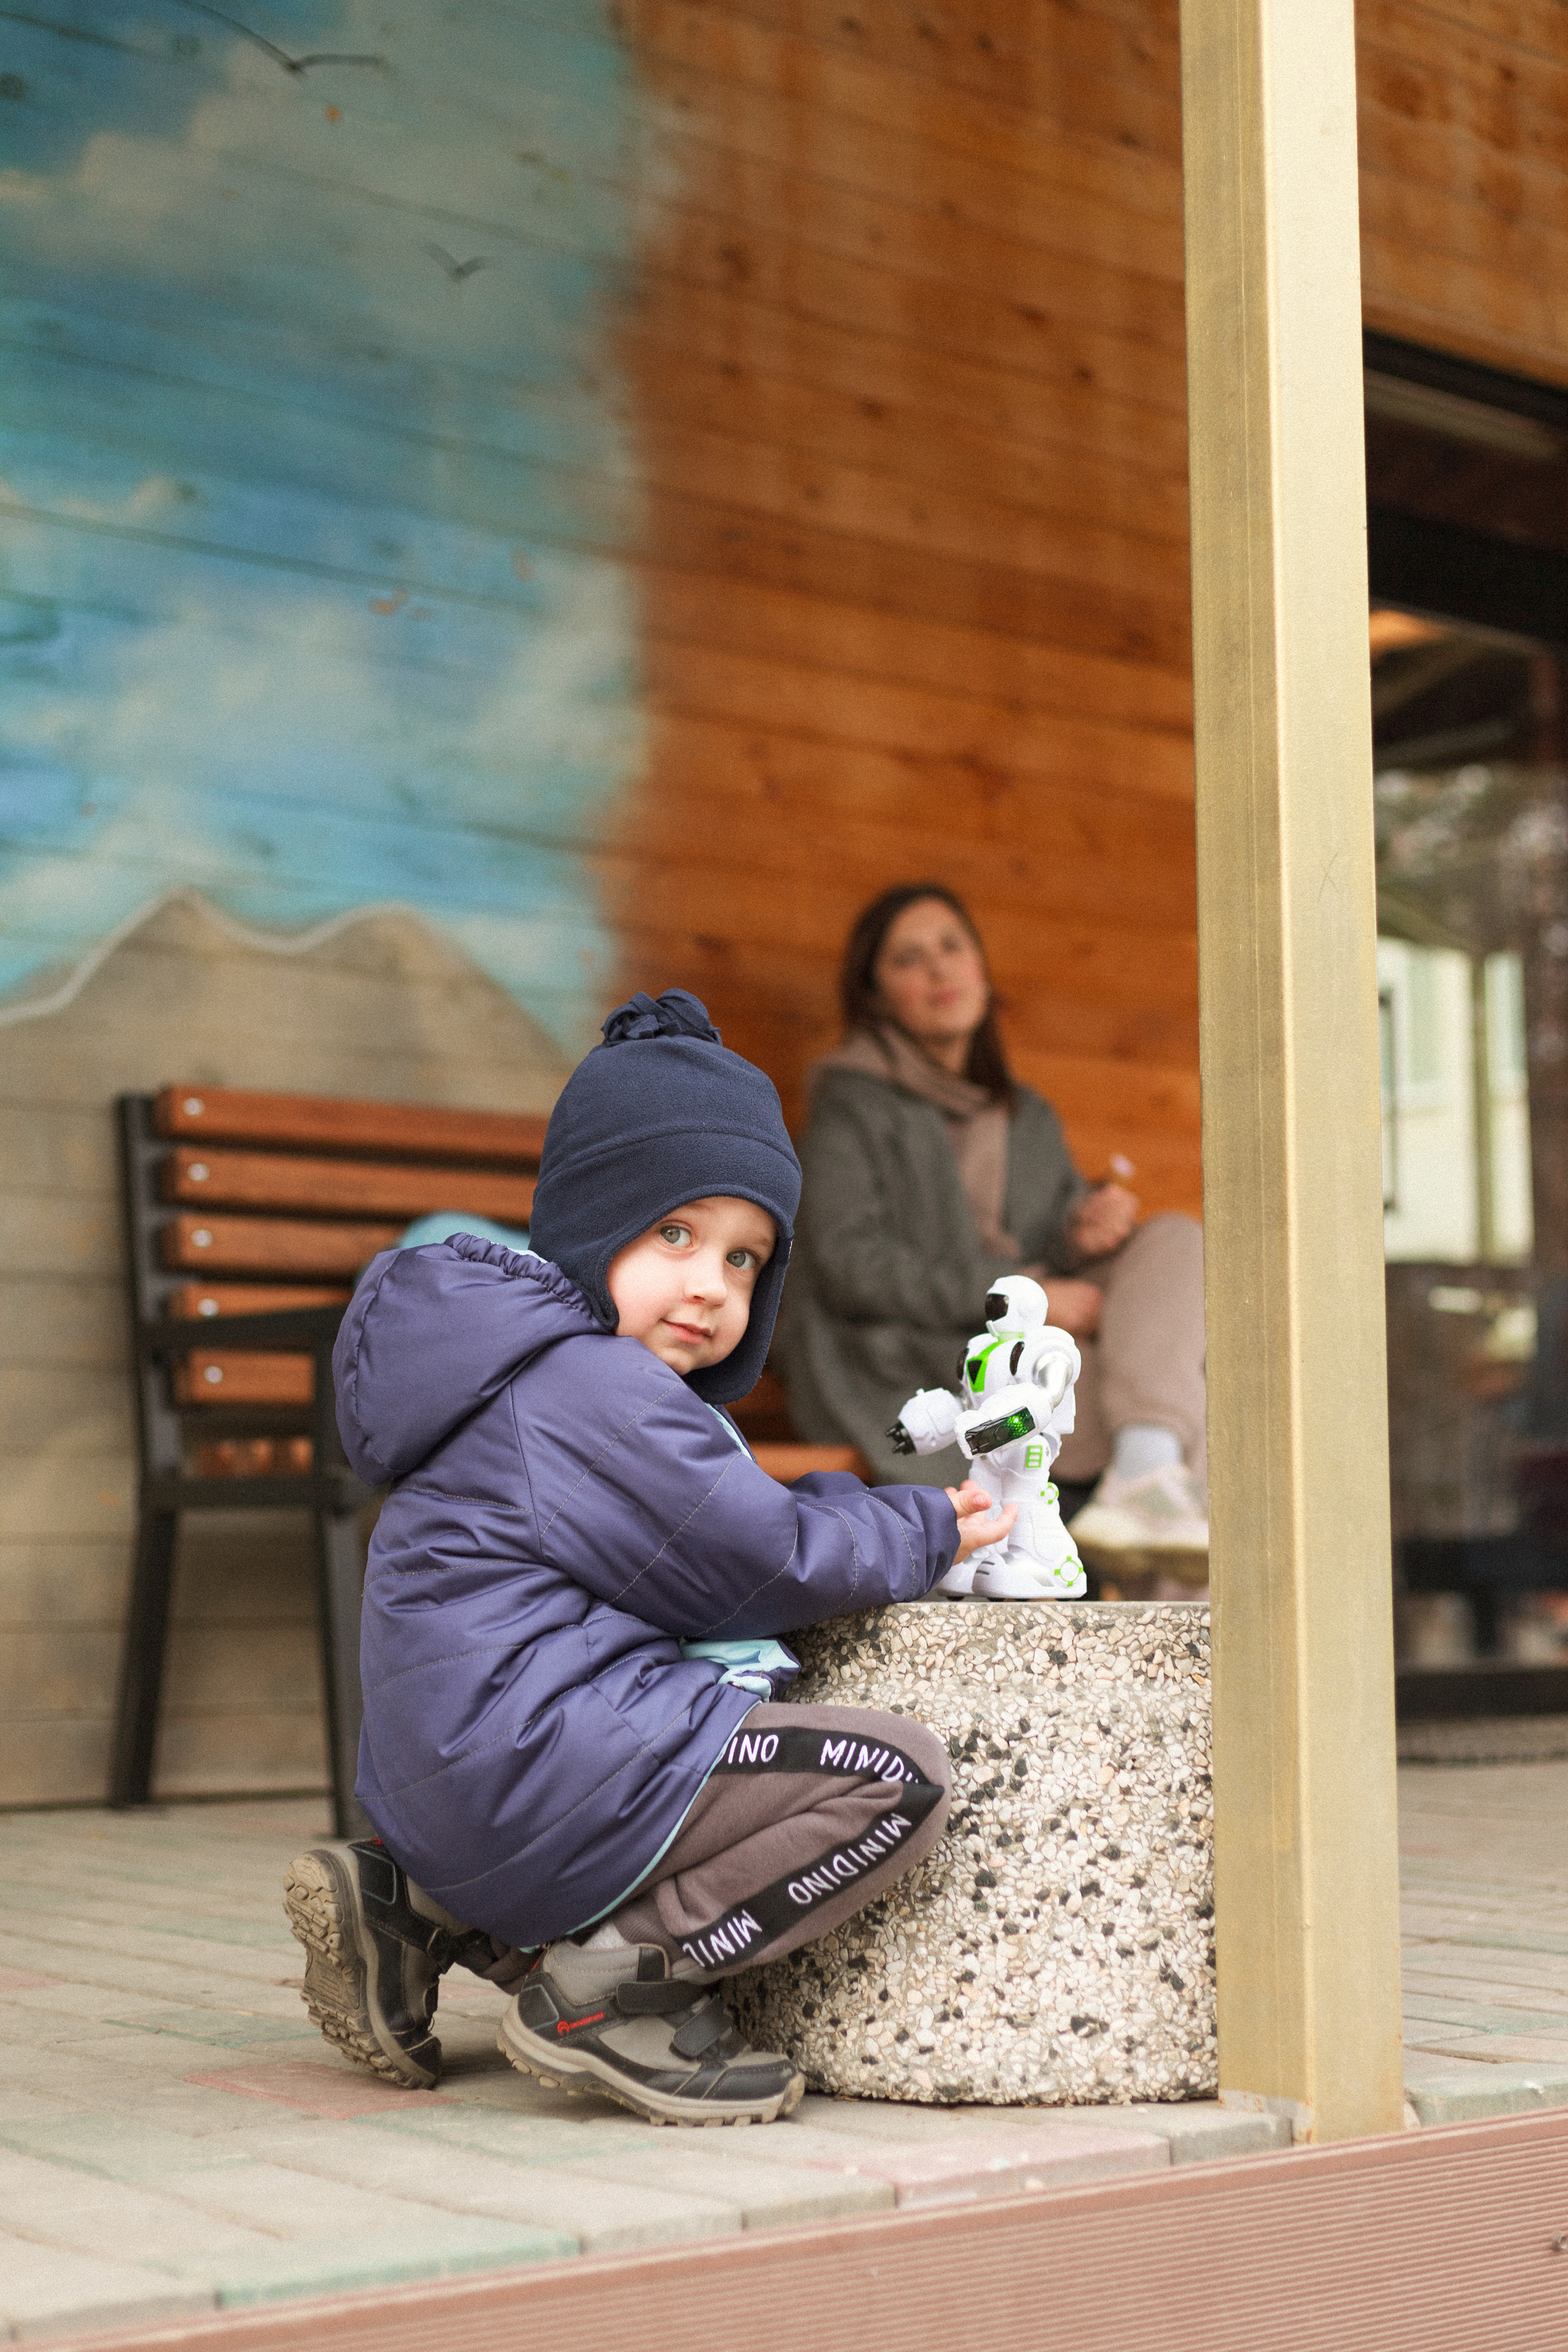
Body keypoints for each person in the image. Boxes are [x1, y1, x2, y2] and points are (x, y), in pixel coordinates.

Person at [285, 987, 1014, 2128]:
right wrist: (921, 1530)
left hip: (447, 1785)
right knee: (894, 1775)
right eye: (676, 1234)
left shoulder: (513, 1369)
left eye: (745, 1258)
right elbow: (756, 1561)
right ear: (593, 1222)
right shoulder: (594, 1386)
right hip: (531, 1772)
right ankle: (609, 1992)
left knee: (674, 1718)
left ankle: (414, 1907)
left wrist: (855, 1509)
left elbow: (712, 1523)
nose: (711, 1285)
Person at [777, 884, 1208, 1584]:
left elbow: (1045, 1235)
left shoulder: (1024, 1113)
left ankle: (1145, 1473)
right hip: (918, 1356)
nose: (939, 970)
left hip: (1031, 1345)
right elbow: (850, 1263)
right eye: (908, 959)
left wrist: (1078, 1230)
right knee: (1178, 1397)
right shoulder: (850, 1105)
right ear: (877, 997)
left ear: (980, 967)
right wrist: (1026, 1293)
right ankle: (1170, 1559)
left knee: (1176, 1240)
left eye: (951, 947)